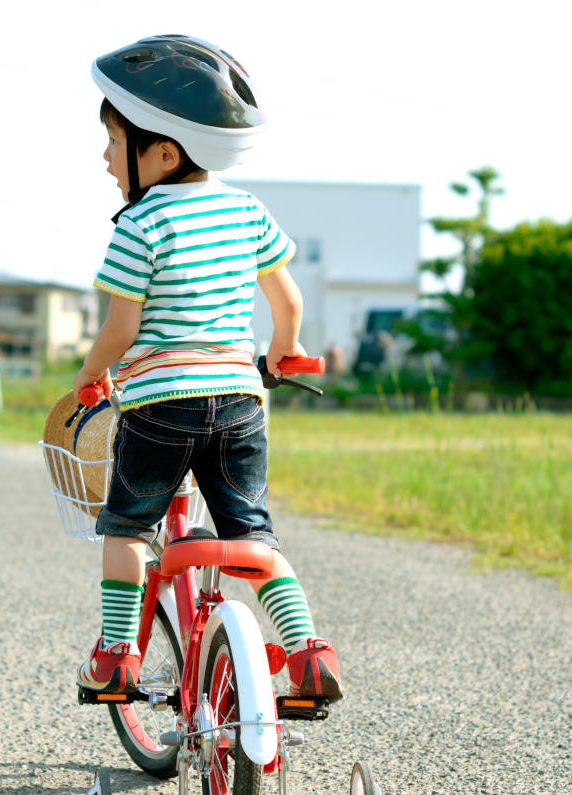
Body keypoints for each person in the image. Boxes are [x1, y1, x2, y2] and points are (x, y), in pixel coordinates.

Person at [72, 35, 342, 703]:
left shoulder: (138, 225)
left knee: (128, 526)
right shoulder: (247, 210)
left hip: (161, 405)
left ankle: (116, 655)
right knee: (252, 532)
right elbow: (288, 299)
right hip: (241, 401)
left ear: (163, 152)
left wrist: (89, 377)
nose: (105, 157)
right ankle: (306, 651)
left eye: (114, 142)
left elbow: (122, 328)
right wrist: (283, 349)